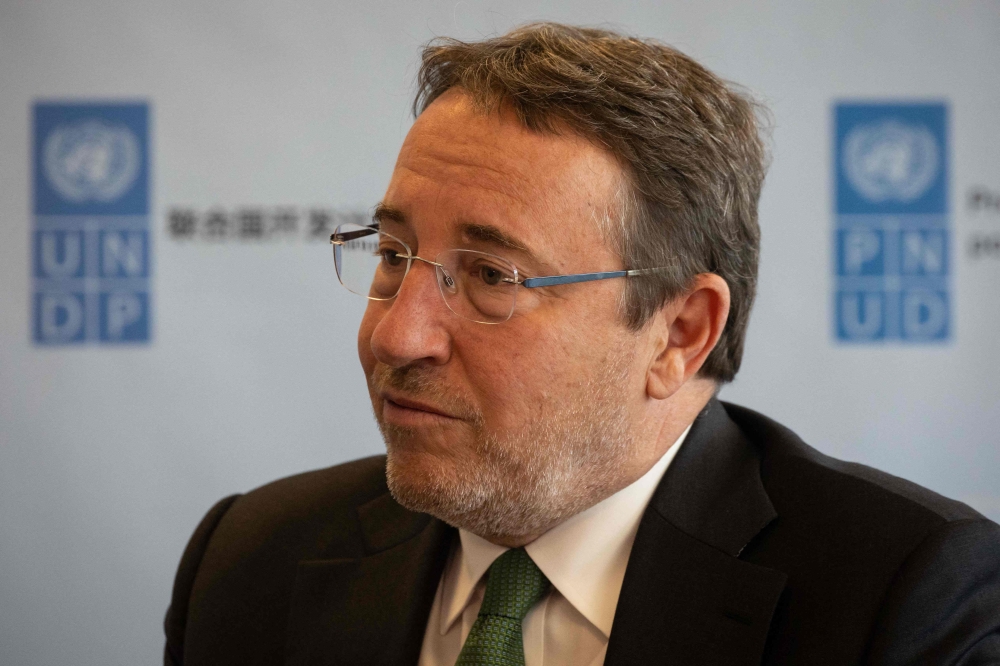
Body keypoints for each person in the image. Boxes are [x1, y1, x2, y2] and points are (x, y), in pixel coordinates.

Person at [164, 23, 1000, 666]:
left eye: (493, 276)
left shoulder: (904, 599)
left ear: (680, 333)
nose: (395, 332)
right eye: (391, 257)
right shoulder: (253, 560)